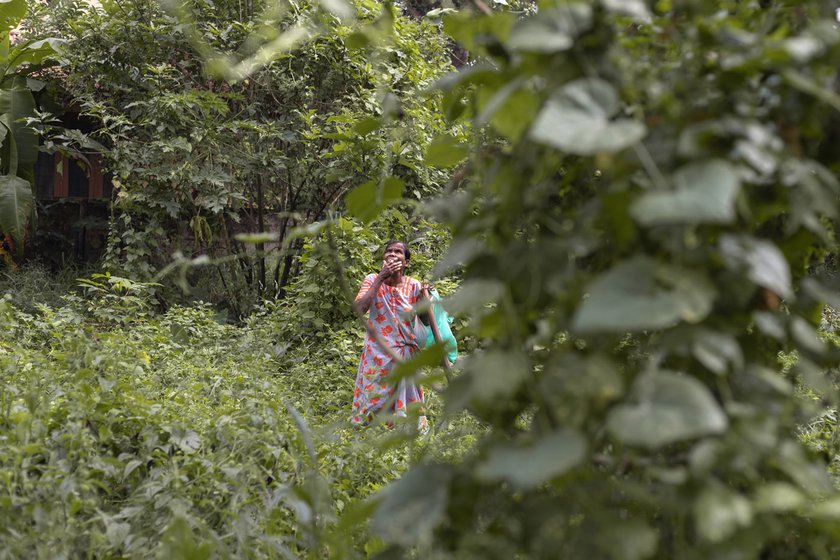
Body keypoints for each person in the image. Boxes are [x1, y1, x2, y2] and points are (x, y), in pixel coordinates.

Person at [351, 240, 430, 427]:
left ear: (406, 262)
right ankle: (366, 430)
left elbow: (425, 321)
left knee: (407, 397)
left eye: (398, 252)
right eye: (389, 251)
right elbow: (359, 309)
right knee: (373, 393)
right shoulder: (372, 279)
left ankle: (408, 432)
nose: (393, 255)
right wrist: (381, 277)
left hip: (405, 353)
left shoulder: (414, 285)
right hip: (377, 352)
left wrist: (425, 299)